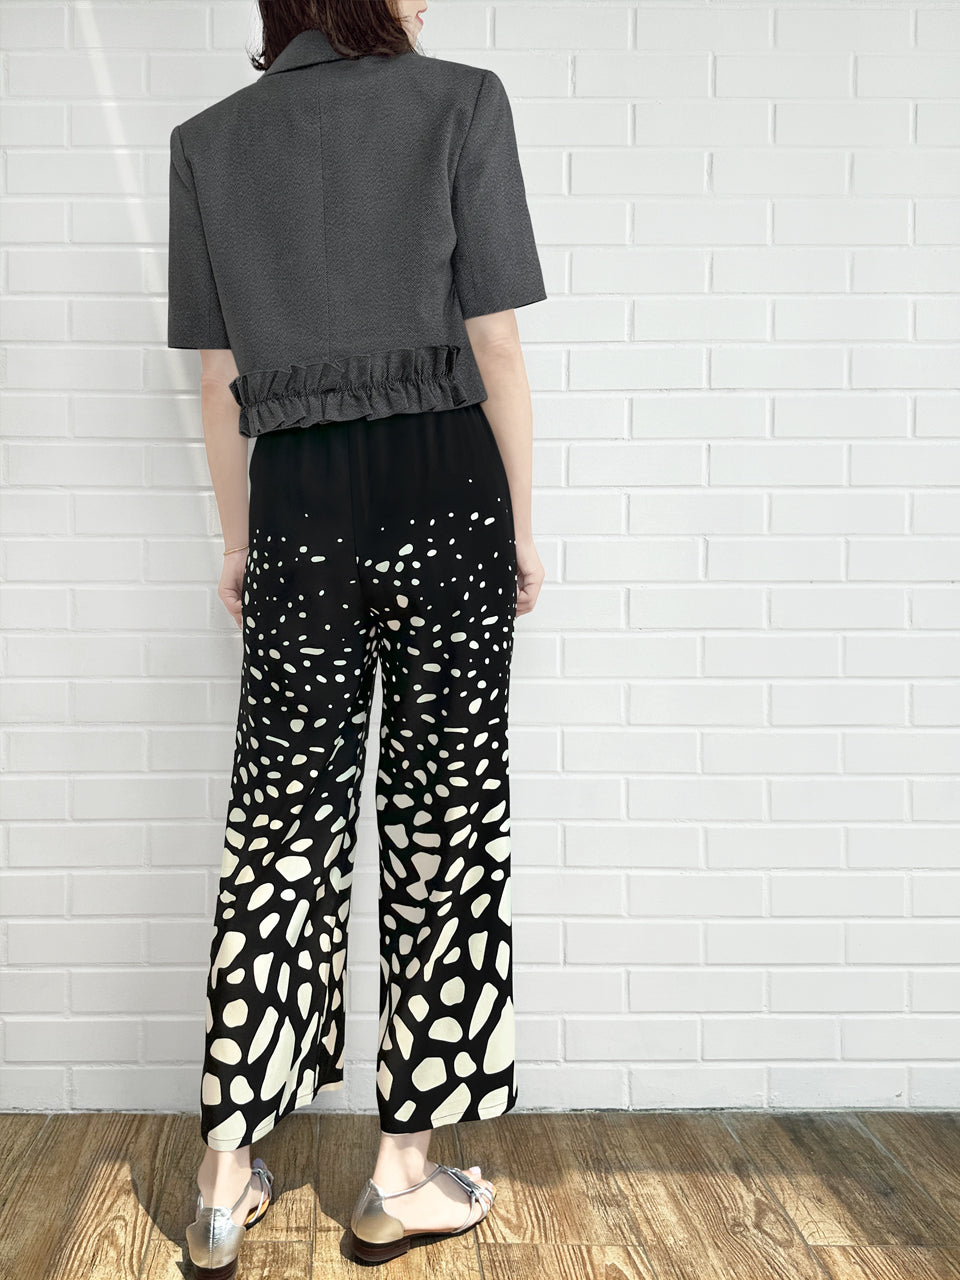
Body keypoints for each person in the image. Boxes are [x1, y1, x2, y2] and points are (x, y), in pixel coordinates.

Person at [166, 1, 546, 1273]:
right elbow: (495, 342)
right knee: (447, 820)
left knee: (278, 828)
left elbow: (219, 378)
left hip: (298, 509)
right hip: (447, 495)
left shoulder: (208, 140)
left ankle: (224, 1180)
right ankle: (402, 1175)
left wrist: (239, 542)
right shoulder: (463, 101)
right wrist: (523, 525)